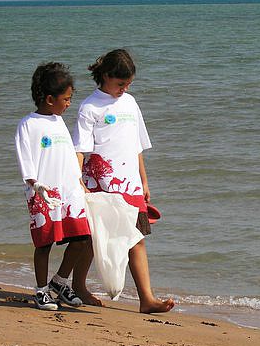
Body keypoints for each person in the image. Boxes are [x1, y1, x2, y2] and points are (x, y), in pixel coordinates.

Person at [73, 49, 175, 314]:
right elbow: (80, 150)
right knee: (93, 240)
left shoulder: (130, 103)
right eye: (120, 84)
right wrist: (78, 181)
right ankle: (78, 286)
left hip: (130, 185)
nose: (124, 88)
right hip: (100, 186)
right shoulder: (90, 107)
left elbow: (137, 146)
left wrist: (144, 181)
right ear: (105, 76)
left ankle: (147, 299)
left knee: (136, 238)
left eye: (128, 84)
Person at [14, 62, 99, 310]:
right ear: (50, 99)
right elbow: (25, 157)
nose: (69, 103)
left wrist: (80, 183)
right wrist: (34, 183)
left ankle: (59, 282)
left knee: (82, 238)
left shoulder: (59, 121)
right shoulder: (28, 124)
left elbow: (68, 156)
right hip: (43, 194)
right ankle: (41, 291)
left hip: (69, 193)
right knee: (44, 244)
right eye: (67, 98)